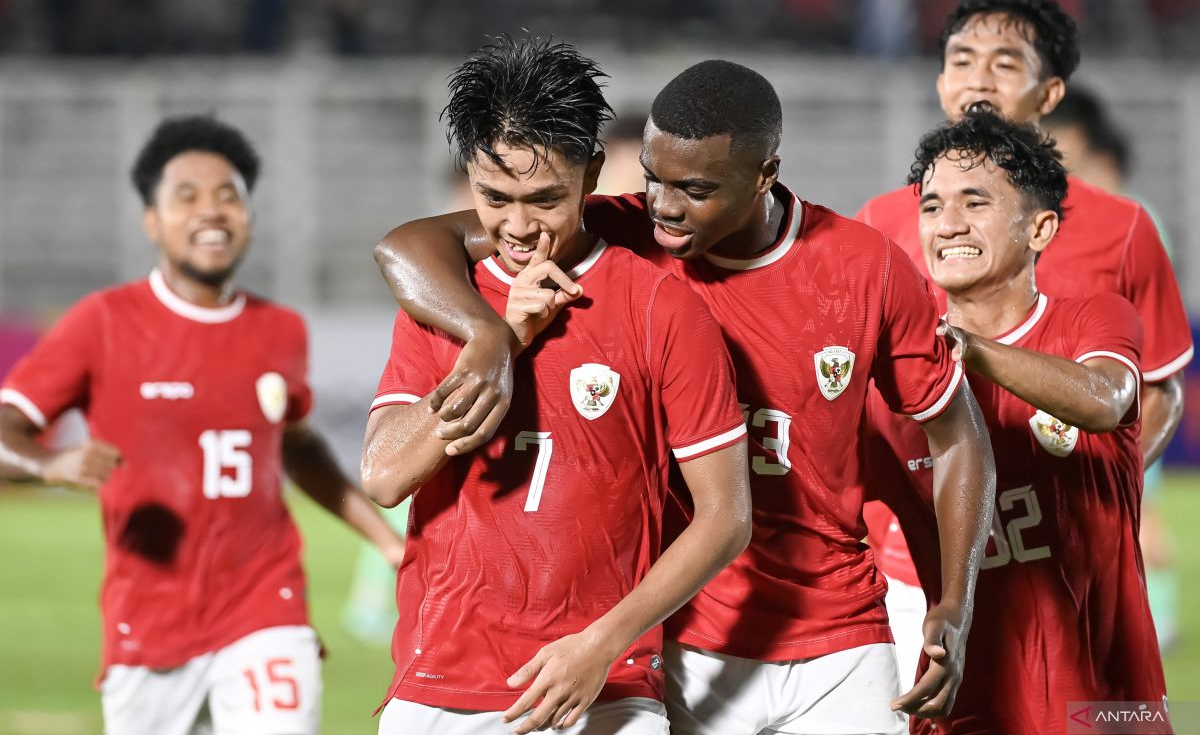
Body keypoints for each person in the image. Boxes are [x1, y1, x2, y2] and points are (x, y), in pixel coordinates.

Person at [372, 58, 997, 734]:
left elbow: (958, 436)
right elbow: (413, 243)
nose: (665, 207)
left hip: (836, 631)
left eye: (694, 189)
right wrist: (490, 334)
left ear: (764, 174)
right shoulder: (617, 230)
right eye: (652, 179)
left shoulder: (862, 267)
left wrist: (954, 601)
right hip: (681, 636)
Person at [359, 34, 752, 735]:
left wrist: (602, 645)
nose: (516, 225)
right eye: (493, 196)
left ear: (593, 174)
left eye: (544, 198)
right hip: (443, 685)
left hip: (607, 688)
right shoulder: (448, 300)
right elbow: (386, 475)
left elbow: (725, 517)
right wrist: (505, 340)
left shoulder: (661, 306)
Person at [0, 115, 406, 735]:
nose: (211, 211)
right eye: (186, 196)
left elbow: (296, 448)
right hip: (149, 624)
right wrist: (47, 463)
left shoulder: (280, 330)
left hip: (266, 611)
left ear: (249, 215)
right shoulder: (103, 322)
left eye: (228, 195)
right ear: (152, 221)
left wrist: (381, 540)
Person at [856, 0, 1192, 688]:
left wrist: (1110, 503)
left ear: (1050, 95)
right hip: (912, 557)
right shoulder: (884, 220)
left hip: (1062, 554)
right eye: (960, 58)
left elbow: (1157, 389)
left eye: (1004, 63)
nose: (977, 77)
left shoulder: (1121, 228)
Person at [862, 111, 1168, 734]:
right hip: (962, 711)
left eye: (974, 202)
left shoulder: (1095, 322)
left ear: (1040, 227)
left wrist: (970, 347)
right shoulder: (891, 381)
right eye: (930, 206)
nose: (947, 225)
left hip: (1107, 711)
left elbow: (1106, 399)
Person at [1042, 86, 1180, 651]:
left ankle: (1158, 621)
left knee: (1133, 511)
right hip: (1091, 395)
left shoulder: (1132, 226)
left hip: (1125, 398)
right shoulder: (1082, 227)